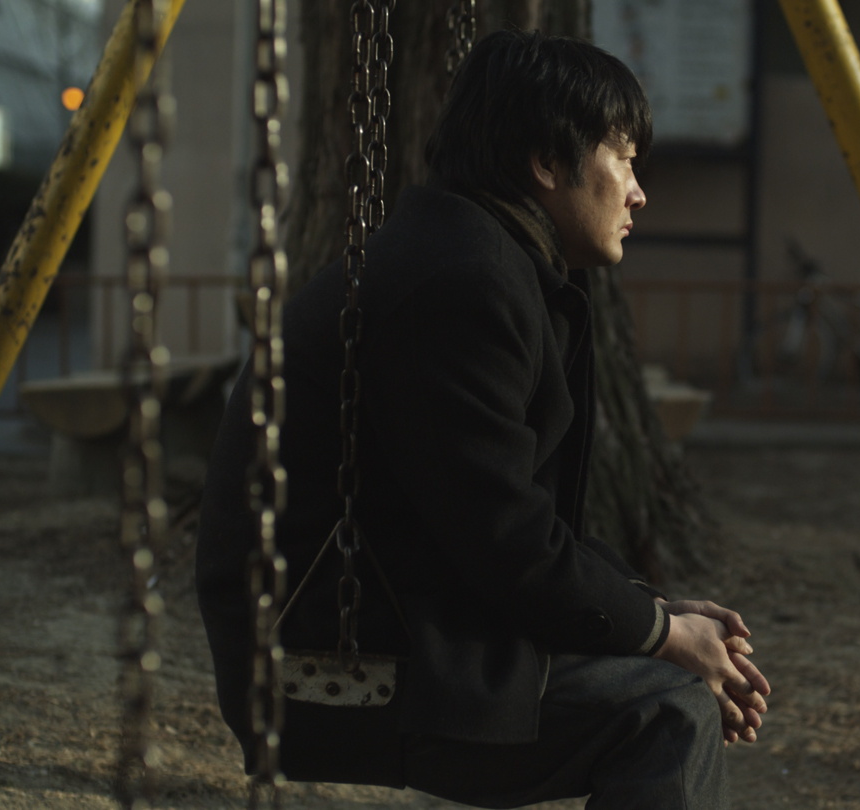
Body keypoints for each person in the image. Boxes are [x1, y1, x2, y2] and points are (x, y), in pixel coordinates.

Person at [196, 29, 769, 809]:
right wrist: (664, 638)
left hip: (399, 627)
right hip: (334, 663)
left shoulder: (482, 261)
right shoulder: (463, 283)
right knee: (666, 710)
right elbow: (506, 541)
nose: (639, 192)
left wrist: (655, 615)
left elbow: (511, 518)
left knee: (667, 689)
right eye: (625, 159)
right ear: (547, 162)